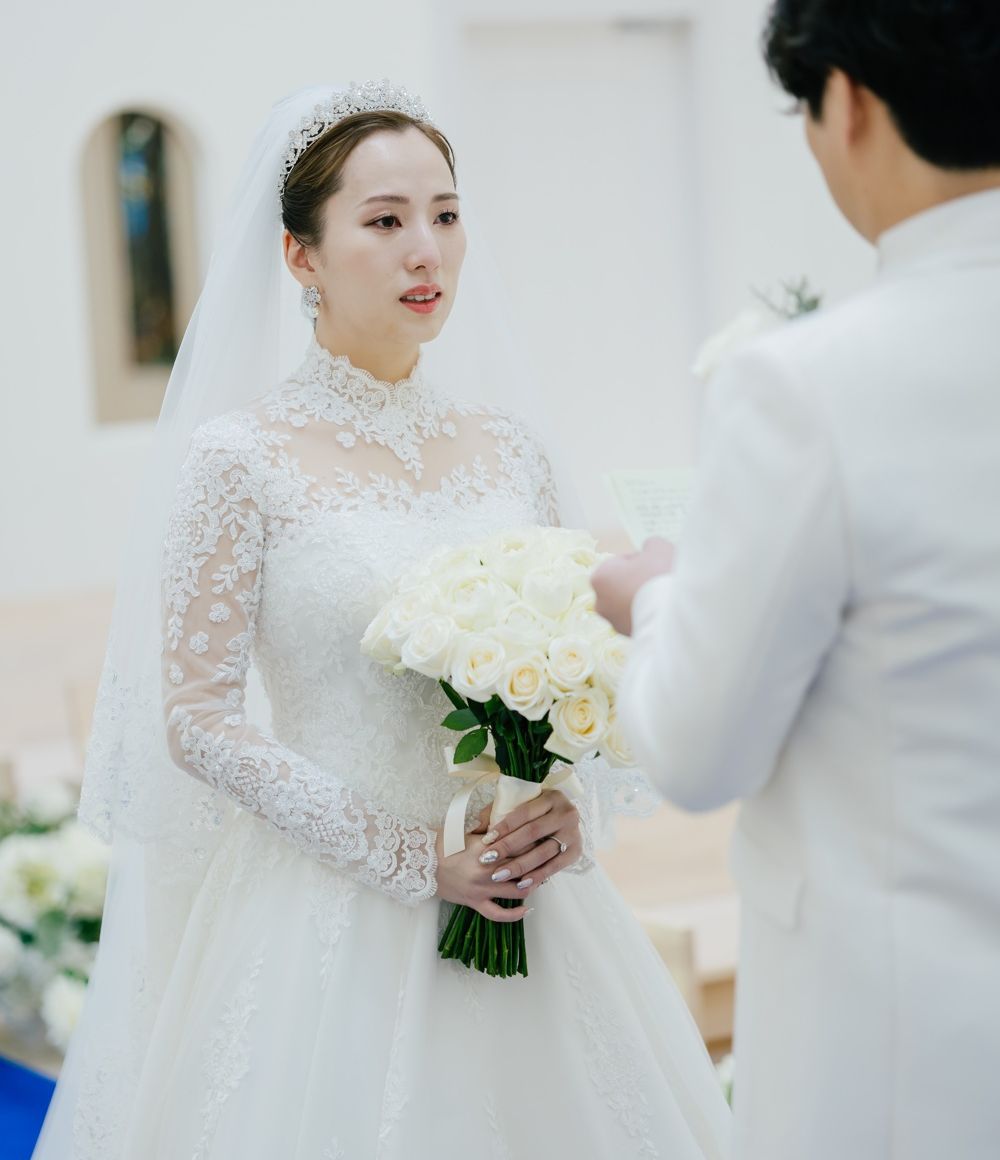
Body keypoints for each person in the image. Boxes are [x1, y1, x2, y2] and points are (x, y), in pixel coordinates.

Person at [32, 83, 730, 1159]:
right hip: (328, 919)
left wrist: (562, 802)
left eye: (445, 214)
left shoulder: (510, 448)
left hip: (523, 906)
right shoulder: (239, 459)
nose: (426, 251)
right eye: (385, 220)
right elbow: (198, 718)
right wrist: (410, 858)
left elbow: (579, 663)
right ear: (299, 255)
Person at [592, 3, 1000, 1158]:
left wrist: (652, 597)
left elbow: (696, 749)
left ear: (850, 102)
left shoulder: (809, 386)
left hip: (900, 1048)